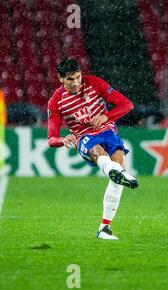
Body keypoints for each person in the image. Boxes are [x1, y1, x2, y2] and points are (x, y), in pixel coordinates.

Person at [47, 58, 139, 240]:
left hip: (108, 131)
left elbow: (127, 105)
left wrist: (106, 116)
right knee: (100, 154)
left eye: (78, 77)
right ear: (60, 79)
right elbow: (51, 139)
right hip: (84, 138)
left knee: (117, 179)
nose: (75, 83)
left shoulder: (95, 83)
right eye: (70, 79)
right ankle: (117, 171)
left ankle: (104, 229)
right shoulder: (56, 101)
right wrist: (62, 140)